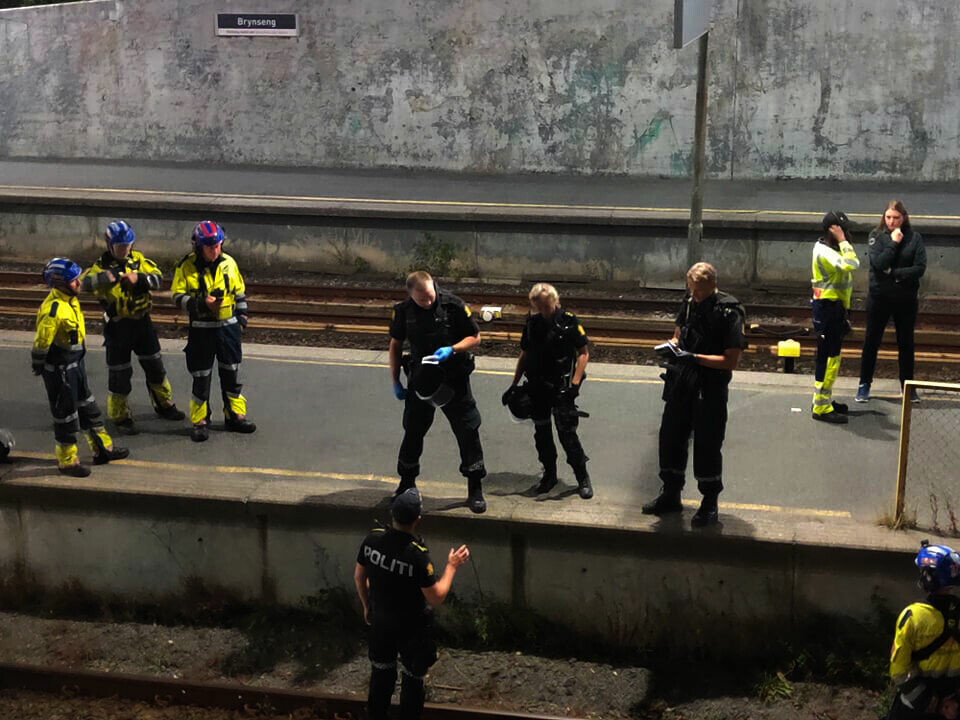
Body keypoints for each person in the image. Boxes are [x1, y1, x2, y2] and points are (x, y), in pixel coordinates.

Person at [642, 262, 746, 527]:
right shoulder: (689, 303)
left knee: (707, 446)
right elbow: (678, 335)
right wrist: (673, 348)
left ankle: (709, 503)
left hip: (709, 389)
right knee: (670, 438)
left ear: (712, 285)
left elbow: (730, 360)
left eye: (698, 290)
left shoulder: (729, 311)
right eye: (691, 289)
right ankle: (670, 493)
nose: (694, 295)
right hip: (681, 384)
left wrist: (695, 358)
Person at [355, 488, 470, 720]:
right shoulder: (416, 555)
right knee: (413, 681)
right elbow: (436, 597)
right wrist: (452, 566)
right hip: (411, 630)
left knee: (380, 677)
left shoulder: (373, 539)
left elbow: (359, 577)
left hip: (381, 623)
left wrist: (367, 605)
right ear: (418, 519)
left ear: (392, 514)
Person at [389, 271, 486, 513]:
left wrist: (452, 349)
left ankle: (475, 487)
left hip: (453, 378)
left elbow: (475, 338)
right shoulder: (403, 311)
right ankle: (407, 483)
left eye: (431, 297)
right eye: (423, 300)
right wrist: (395, 381)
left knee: (467, 430)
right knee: (413, 432)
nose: (429, 302)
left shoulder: (453, 305)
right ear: (411, 295)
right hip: (421, 381)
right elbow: (395, 345)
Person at [80, 221, 185, 434]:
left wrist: (140, 279)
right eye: (120, 246)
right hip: (118, 327)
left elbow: (158, 279)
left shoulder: (139, 261)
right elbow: (83, 284)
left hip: (142, 323)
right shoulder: (101, 267)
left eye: (127, 245)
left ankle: (164, 404)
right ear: (110, 245)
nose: (125, 249)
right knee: (120, 374)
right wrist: (104, 279)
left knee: (155, 366)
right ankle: (120, 416)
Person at [31, 258, 129, 477]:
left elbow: (89, 283)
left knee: (89, 409)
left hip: (75, 366)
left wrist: (110, 276)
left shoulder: (69, 298)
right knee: (65, 416)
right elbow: (42, 342)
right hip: (60, 370)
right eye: (74, 281)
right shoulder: (54, 309)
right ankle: (67, 461)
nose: (78, 284)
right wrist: (39, 363)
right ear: (60, 283)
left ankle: (103, 449)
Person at [502, 282, 593, 499]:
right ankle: (549, 476)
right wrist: (513, 384)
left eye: (546, 305)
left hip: (562, 388)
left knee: (567, 435)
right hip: (537, 387)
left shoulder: (569, 321)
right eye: (538, 306)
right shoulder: (532, 324)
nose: (543, 310)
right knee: (542, 435)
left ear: (555, 300)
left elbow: (583, 353)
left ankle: (583, 478)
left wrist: (575, 385)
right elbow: (524, 355)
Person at [171, 221, 255, 442]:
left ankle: (235, 416)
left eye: (218, 245)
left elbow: (239, 293)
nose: (215, 250)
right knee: (201, 377)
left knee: (231, 374)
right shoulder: (186, 266)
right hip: (201, 330)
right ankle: (200, 421)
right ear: (199, 246)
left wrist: (242, 321)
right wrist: (202, 304)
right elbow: (177, 297)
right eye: (210, 247)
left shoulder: (229, 263)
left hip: (228, 329)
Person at [857, 200, 926, 404]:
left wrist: (894, 274)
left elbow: (920, 268)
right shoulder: (876, 236)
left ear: (903, 217)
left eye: (896, 217)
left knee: (906, 343)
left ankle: (908, 387)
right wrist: (894, 242)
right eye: (888, 217)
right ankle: (864, 385)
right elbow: (878, 264)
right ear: (883, 217)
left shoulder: (915, 238)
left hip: (905, 300)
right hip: (880, 298)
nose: (892, 221)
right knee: (871, 341)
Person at [887, 540, 960, 719]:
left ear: (928, 578)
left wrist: (929, 703)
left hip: (914, 709)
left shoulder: (913, 617)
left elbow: (899, 670)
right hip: (951, 709)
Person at [810, 210, 860, 424]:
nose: (846, 233)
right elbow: (852, 264)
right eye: (842, 229)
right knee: (829, 359)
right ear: (833, 230)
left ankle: (824, 400)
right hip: (828, 309)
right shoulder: (826, 253)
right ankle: (821, 407)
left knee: (830, 357)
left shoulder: (829, 248)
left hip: (833, 308)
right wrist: (843, 241)